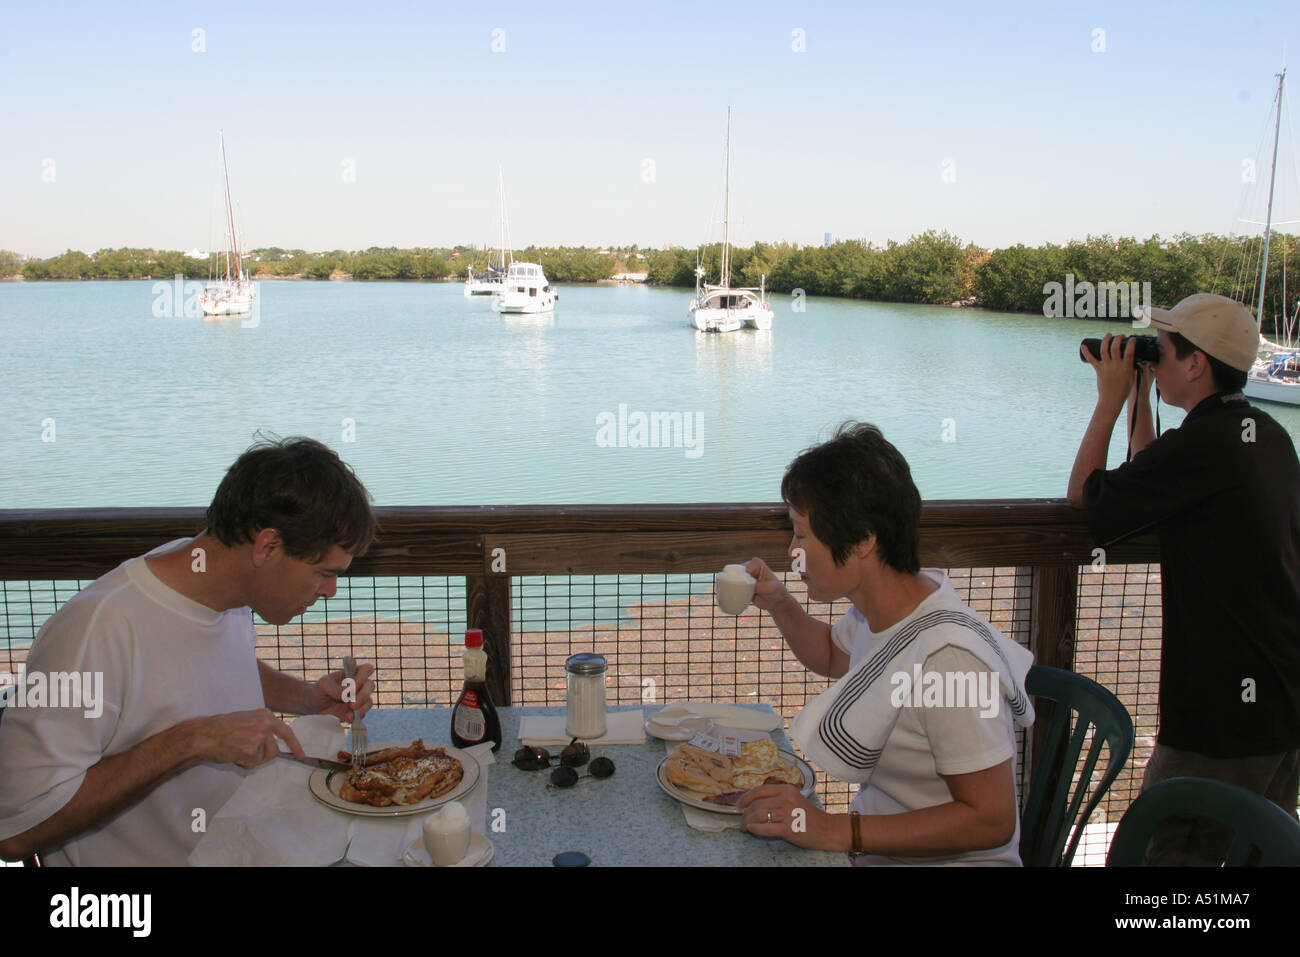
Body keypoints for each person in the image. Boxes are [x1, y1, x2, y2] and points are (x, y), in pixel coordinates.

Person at [0, 437, 380, 865]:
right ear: (268, 546)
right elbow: (15, 827)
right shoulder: (95, 631)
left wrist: (306, 699)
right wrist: (189, 741)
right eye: (323, 573)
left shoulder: (220, 585)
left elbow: (216, 663)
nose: (329, 592)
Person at [1067, 293, 1300, 865]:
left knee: (1169, 864)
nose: (1155, 358)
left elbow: (1085, 503)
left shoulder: (1205, 445)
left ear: (1196, 365)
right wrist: (1140, 397)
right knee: (1256, 857)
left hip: (1221, 718)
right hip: (1280, 698)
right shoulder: (1260, 432)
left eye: (1162, 351)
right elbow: (1151, 474)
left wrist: (1108, 400)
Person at [736, 422, 1035, 864]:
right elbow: (833, 655)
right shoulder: (881, 609)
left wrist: (833, 829)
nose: (792, 552)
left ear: (862, 540)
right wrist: (781, 603)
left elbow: (992, 820)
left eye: (801, 534)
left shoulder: (949, 660)